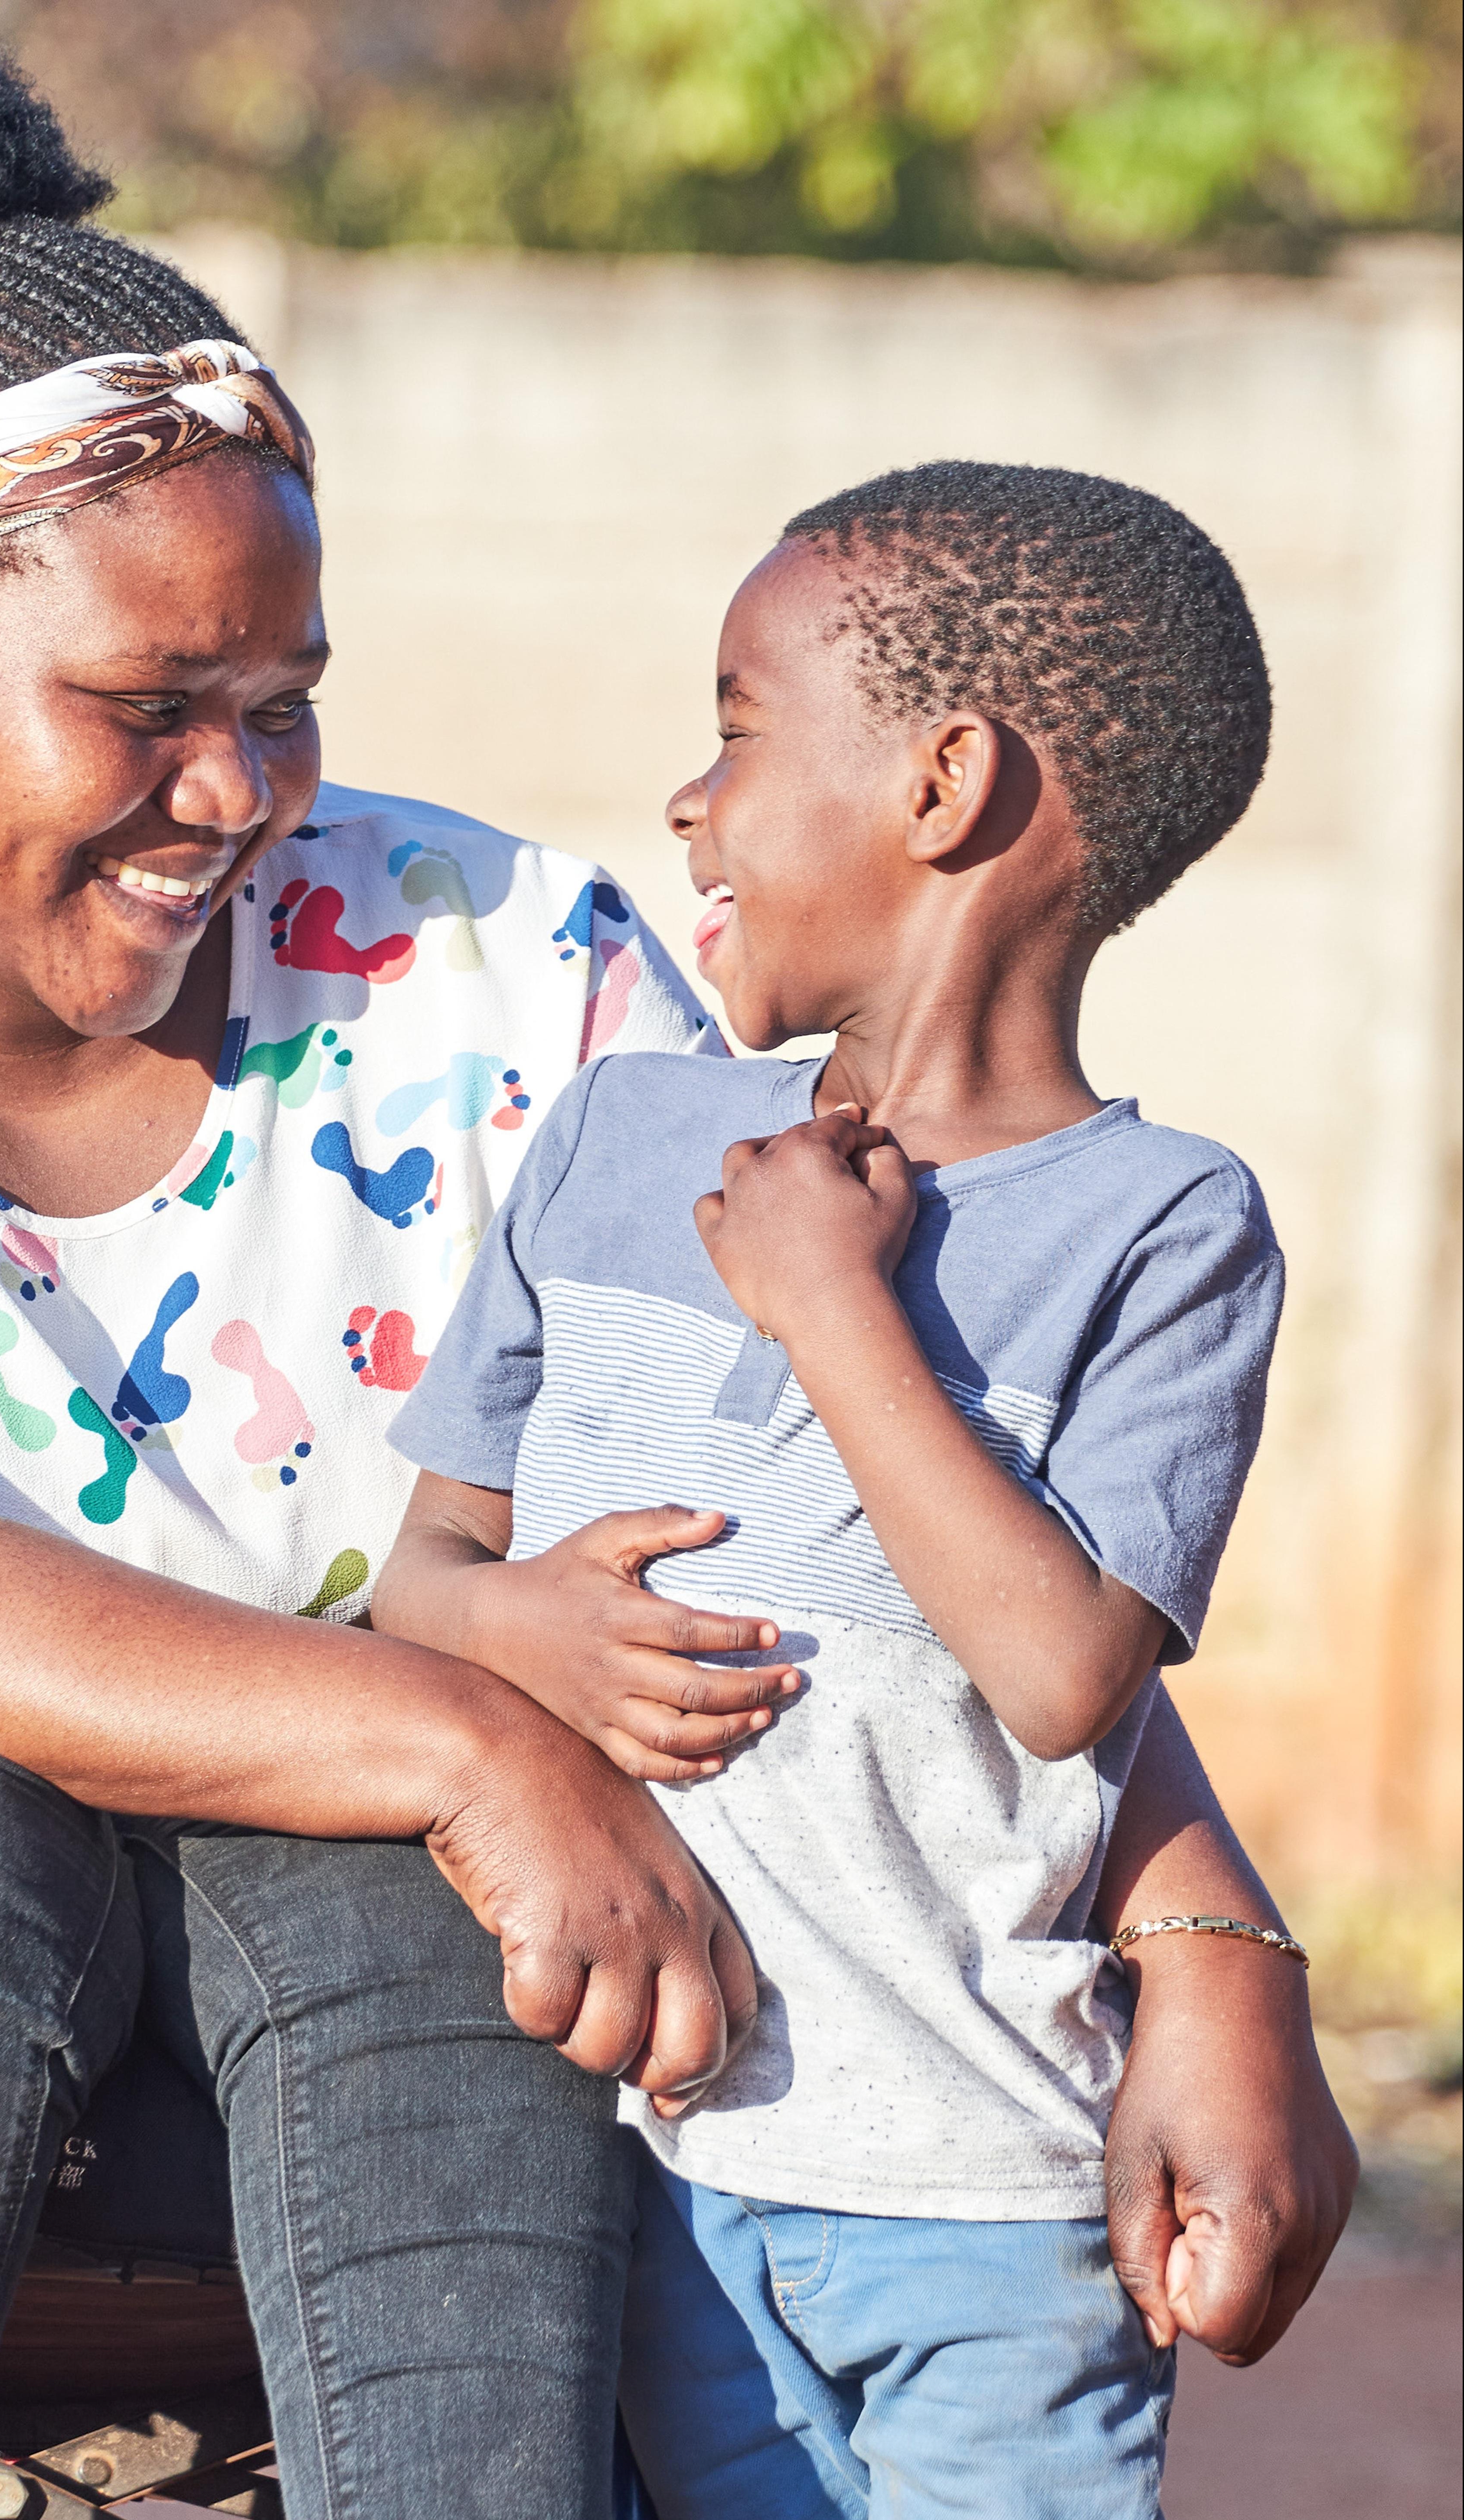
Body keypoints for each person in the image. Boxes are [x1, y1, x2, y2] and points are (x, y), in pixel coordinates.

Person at [0, 7, 1353, 2513]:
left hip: (315, 1849)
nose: (236, 792)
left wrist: (1204, 1939)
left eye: (282, 703)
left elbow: (891, 1504)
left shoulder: (499, 969)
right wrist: (454, 1730)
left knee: (423, 1924)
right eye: (145, 703)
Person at [376, 464, 1313, 2516]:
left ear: (944, 779)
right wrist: (505, 1618)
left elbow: (1064, 1674)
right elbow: (417, 1572)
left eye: (733, 727)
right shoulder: (613, 1141)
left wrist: (835, 1310)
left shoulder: (1166, 1225)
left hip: (981, 2195)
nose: (689, 804)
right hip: (638, 2176)